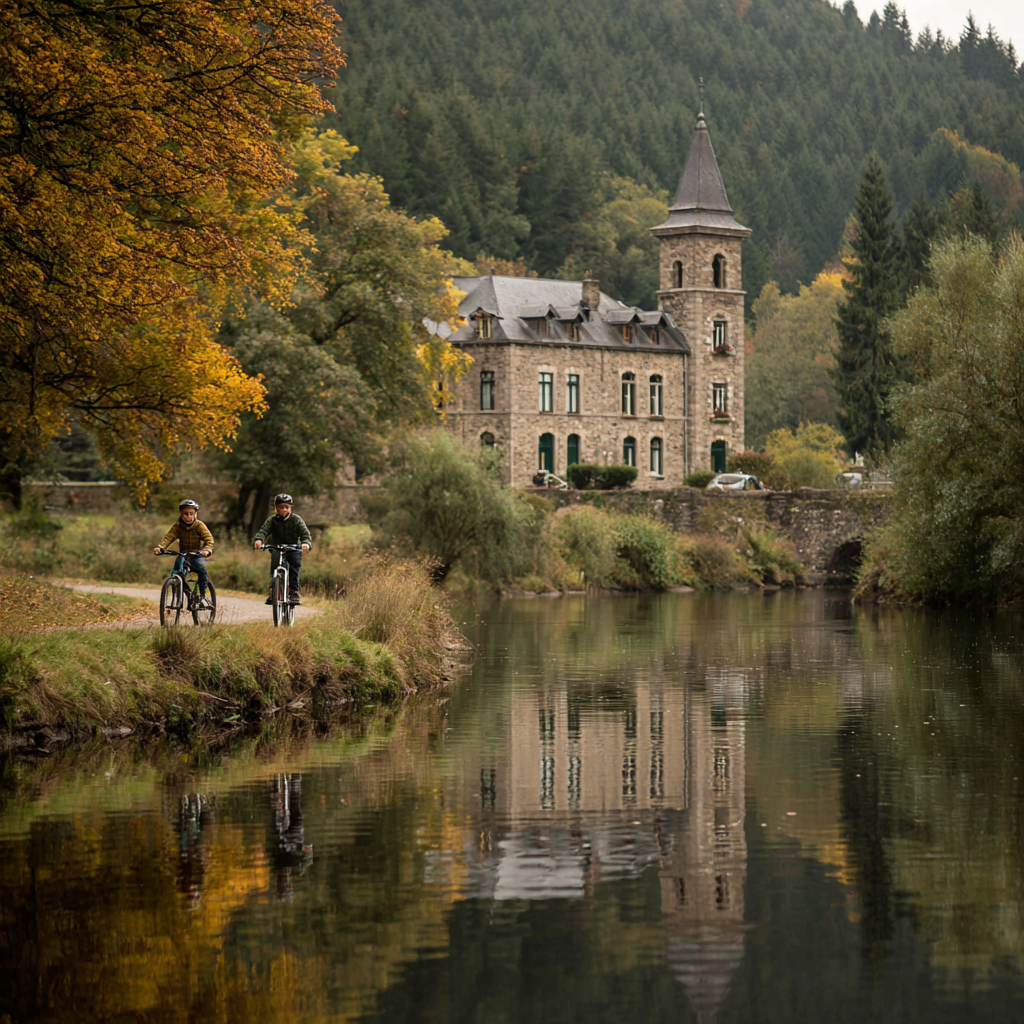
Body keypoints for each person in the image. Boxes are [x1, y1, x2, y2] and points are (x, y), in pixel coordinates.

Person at [253, 493, 312, 604]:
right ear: (276, 508)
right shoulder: (272, 520)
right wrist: (259, 540)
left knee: (294, 568)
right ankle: (273, 591)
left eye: (287, 507)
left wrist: (306, 543)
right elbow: (264, 531)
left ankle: (294, 592)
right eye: (281, 507)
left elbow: (305, 534)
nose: (284, 509)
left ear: (290, 508)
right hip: (277, 548)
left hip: (293, 549)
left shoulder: (296, 519)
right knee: (274, 568)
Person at [152, 499, 214, 604]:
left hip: (197, 554)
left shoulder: (199, 525)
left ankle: (202, 595)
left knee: (201, 569)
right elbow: (169, 537)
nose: (189, 516)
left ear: (196, 514)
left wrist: (207, 549)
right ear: (181, 514)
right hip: (183, 554)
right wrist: (160, 547)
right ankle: (180, 592)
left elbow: (209, 539)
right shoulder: (178, 526)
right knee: (176, 572)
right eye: (186, 514)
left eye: (191, 514)